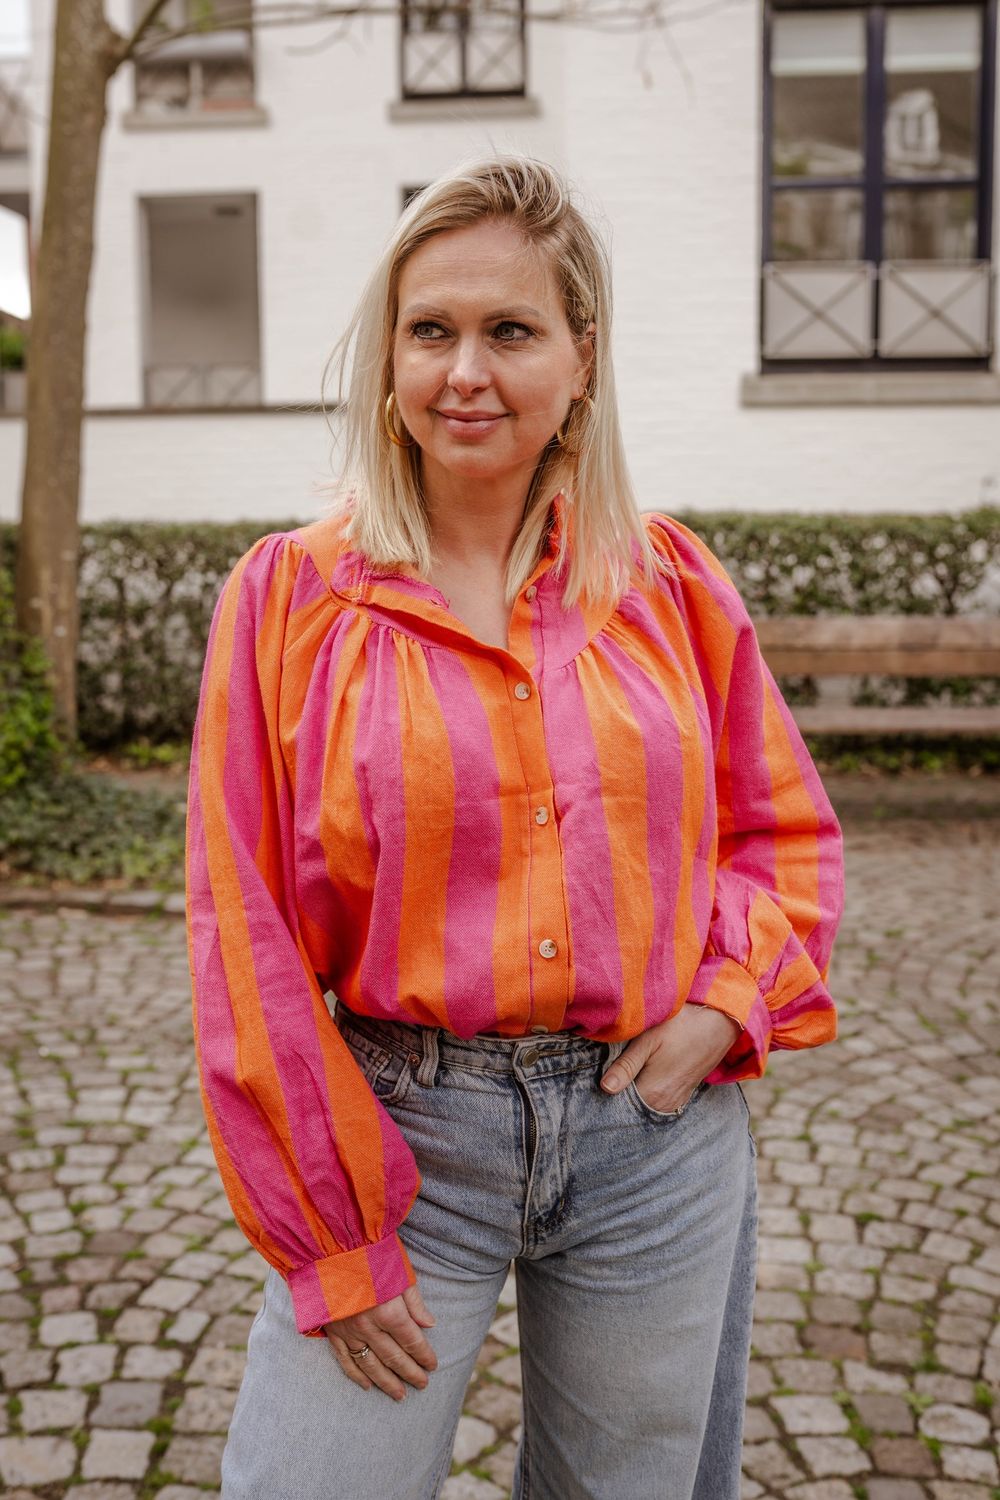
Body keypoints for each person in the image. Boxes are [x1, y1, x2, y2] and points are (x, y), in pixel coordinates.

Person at [185, 155, 844, 1500]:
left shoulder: (669, 583)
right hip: (402, 1133)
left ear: (582, 360)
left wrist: (728, 1000)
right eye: (431, 331)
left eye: (510, 330)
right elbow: (239, 927)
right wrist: (328, 1230)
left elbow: (779, 830)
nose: (465, 370)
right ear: (389, 360)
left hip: (653, 1138)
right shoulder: (292, 598)